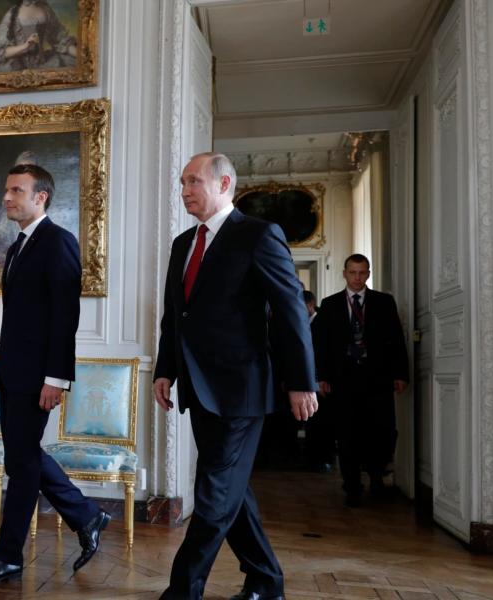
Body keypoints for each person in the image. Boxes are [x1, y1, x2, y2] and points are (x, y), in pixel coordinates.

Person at [153, 152, 318, 600]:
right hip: (198, 387)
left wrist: (302, 381)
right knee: (231, 489)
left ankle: (183, 589)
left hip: (243, 390)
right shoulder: (183, 243)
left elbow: (290, 314)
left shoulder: (259, 235)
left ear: (223, 184)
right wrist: (164, 370)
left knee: (212, 494)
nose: (184, 190)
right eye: (182, 182)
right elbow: (175, 316)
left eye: (193, 182)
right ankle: (267, 581)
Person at [0, 163, 109, 584]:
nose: (7, 197)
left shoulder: (59, 242)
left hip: (39, 375)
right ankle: (86, 516)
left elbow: (65, 316)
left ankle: (9, 554)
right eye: (6, 190)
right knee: (22, 460)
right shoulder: (15, 248)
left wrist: (56, 378)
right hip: (15, 372)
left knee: (22, 462)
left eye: (16, 190)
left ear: (40, 197)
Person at [311, 254, 409, 507]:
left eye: (362, 273)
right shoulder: (329, 304)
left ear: (368, 274)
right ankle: (352, 484)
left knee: (381, 430)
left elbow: (397, 339)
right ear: (344, 273)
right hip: (343, 380)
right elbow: (320, 345)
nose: (357, 278)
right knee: (347, 433)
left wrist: (400, 373)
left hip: (378, 379)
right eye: (353, 272)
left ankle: (377, 479)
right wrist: (321, 376)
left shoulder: (384, 302)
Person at [0, 0, 78, 73]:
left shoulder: (46, 9)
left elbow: (60, 40)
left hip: (44, 64)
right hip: (16, 65)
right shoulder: (12, 14)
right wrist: (25, 46)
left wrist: (80, 55)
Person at [301, 290, 335, 473]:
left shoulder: (323, 322)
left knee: (324, 422)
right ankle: (312, 459)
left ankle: (325, 459)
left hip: (322, 380)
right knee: (312, 422)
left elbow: (326, 353)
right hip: (308, 380)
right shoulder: (303, 323)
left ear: (311, 305)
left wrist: (323, 377)